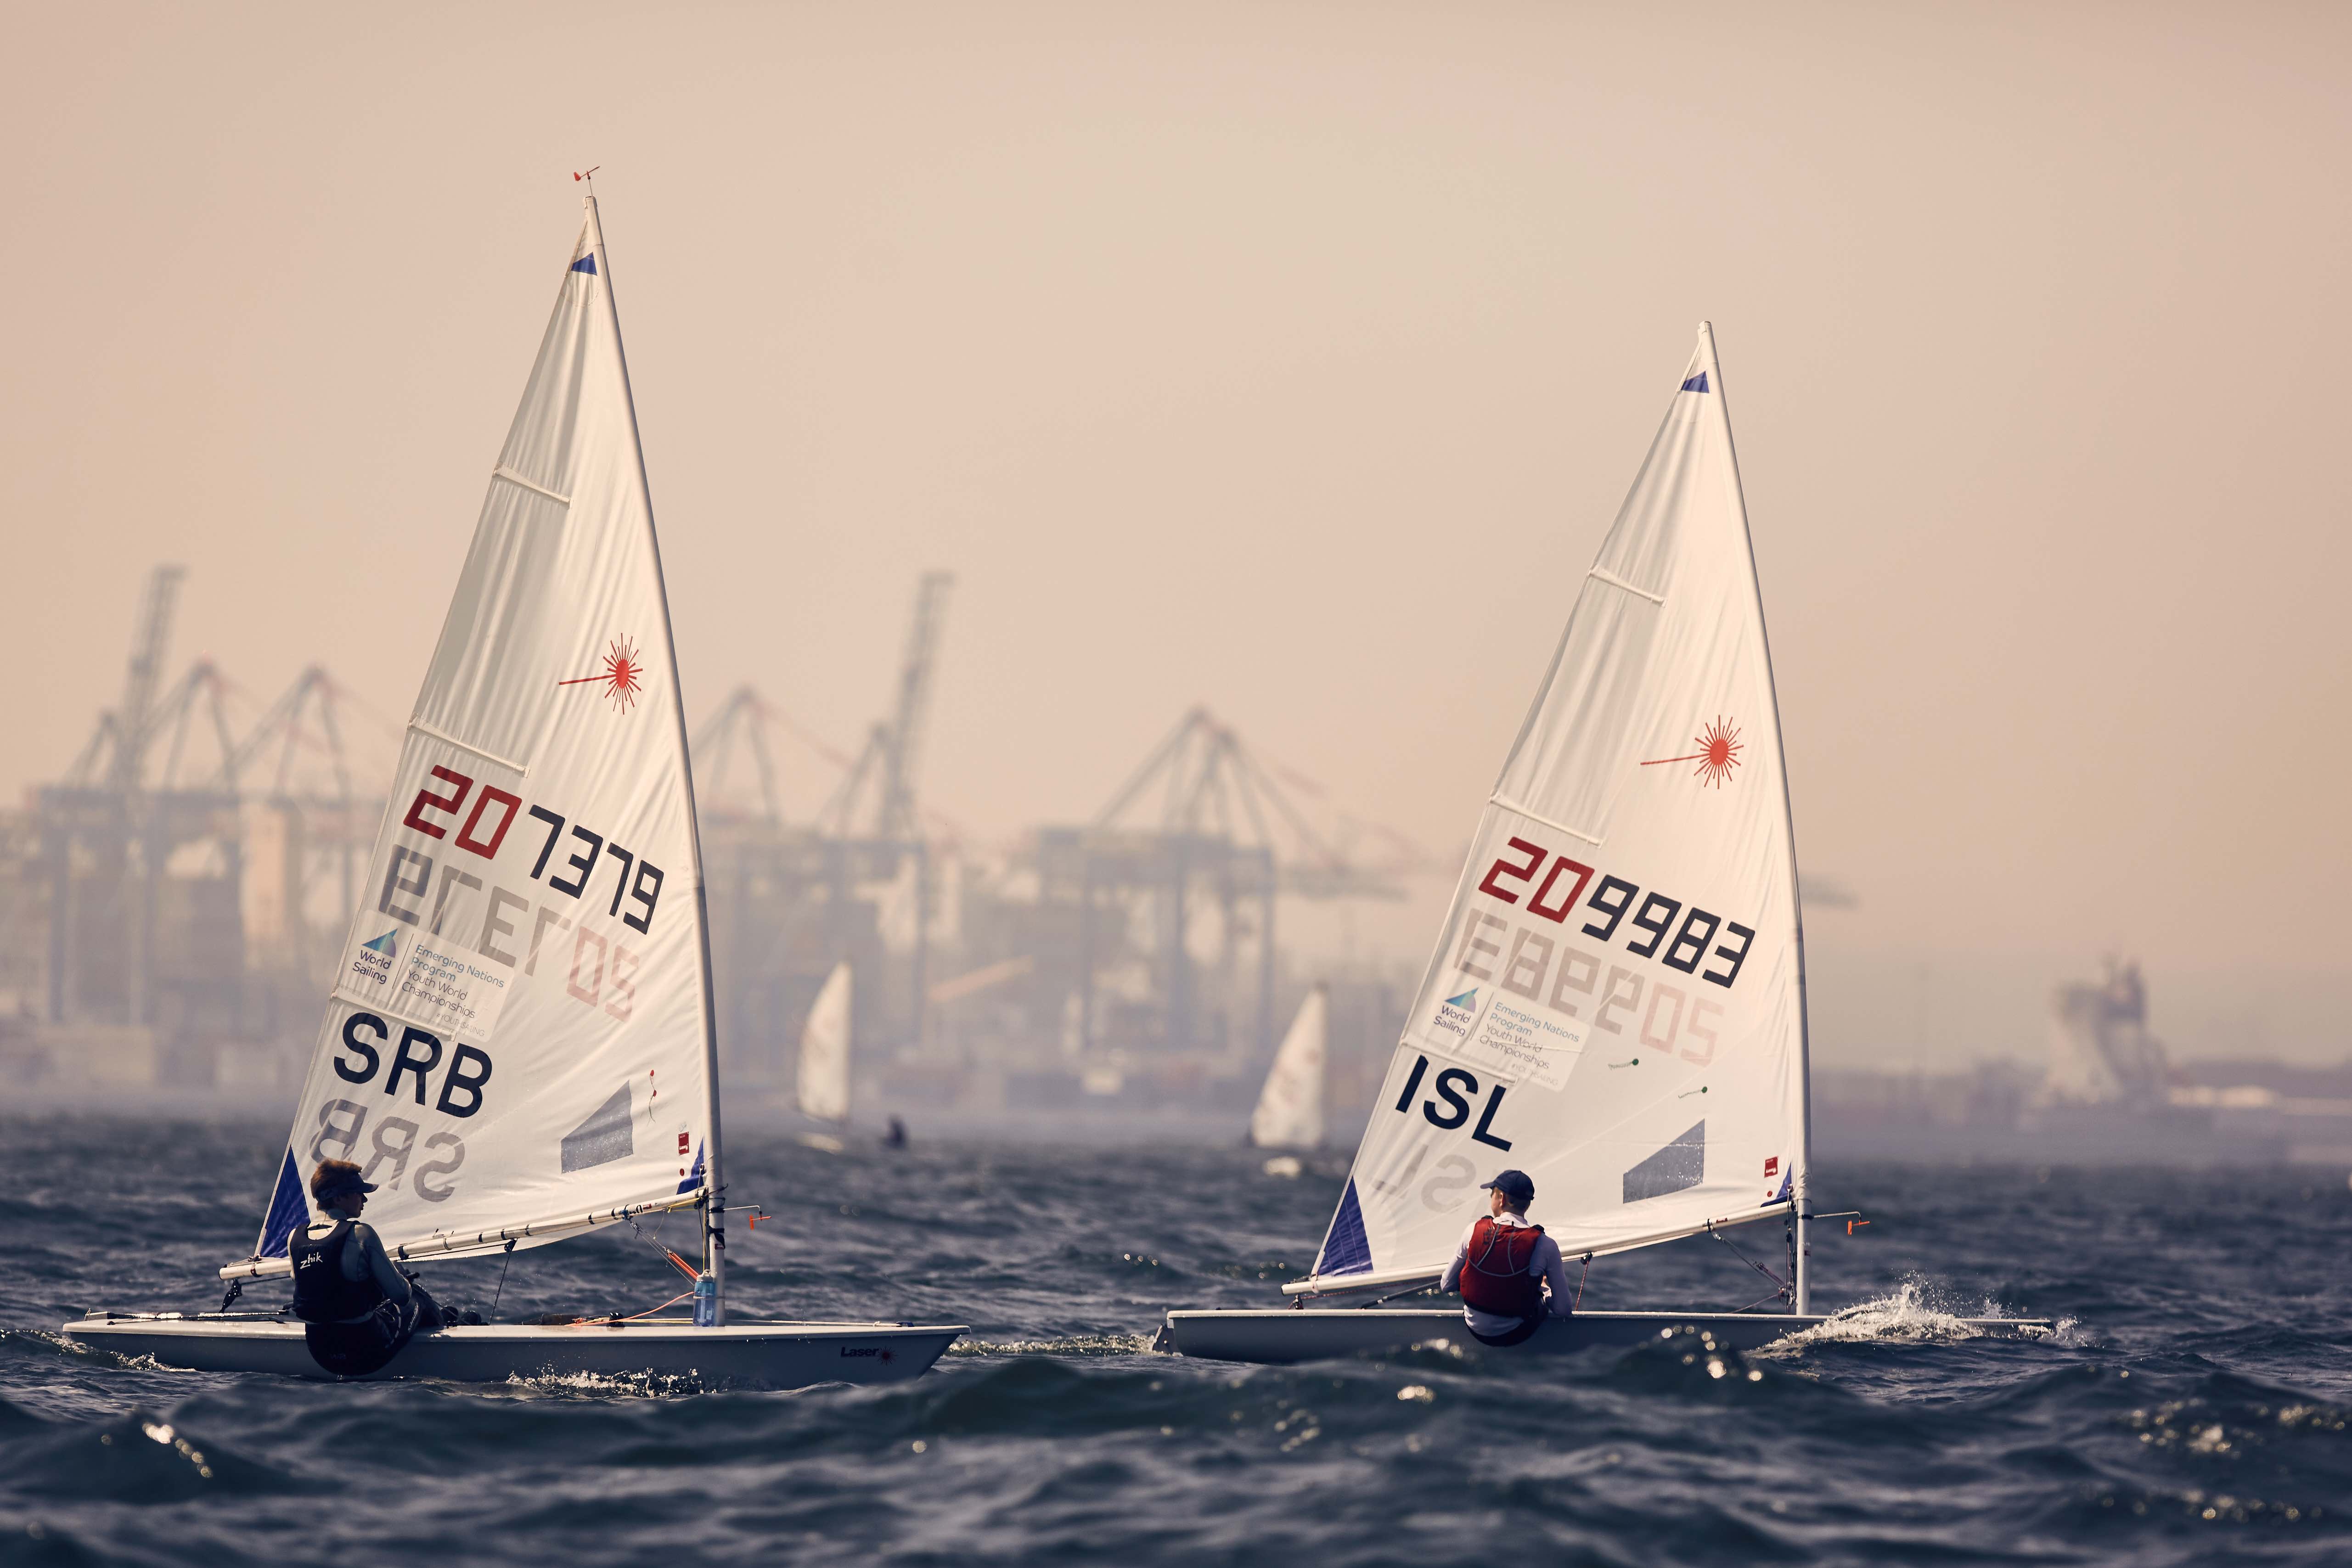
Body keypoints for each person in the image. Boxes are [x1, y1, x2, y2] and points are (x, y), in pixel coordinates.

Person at [288, 1158, 445, 1376]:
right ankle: (451, 1335)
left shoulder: (295, 1237)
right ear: (339, 1198)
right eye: (358, 1193)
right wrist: (400, 1279)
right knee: (418, 1297)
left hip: (320, 1352)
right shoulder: (361, 1234)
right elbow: (401, 1296)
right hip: (368, 1352)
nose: (364, 1199)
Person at [1438, 1169, 1572, 1347]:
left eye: (1492, 1194)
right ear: (1528, 1204)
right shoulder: (1546, 1244)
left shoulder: (1473, 1230)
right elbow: (1564, 1309)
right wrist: (1545, 1290)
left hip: (1474, 1328)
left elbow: (1446, 1285)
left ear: (1502, 1198)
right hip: (1516, 1334)